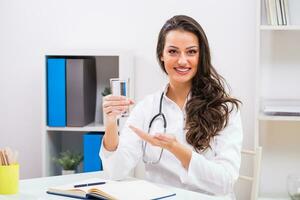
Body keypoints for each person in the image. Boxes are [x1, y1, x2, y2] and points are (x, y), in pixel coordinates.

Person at [100, 15, 243, 198]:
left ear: (201, 56)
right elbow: (116, 172)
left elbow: (226, 182)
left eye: (191, 52)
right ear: (162, 54)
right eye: (173, 51)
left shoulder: (224, 110)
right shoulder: (147, 109)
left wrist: (175, 148)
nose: (182, 61)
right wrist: (111, 123)